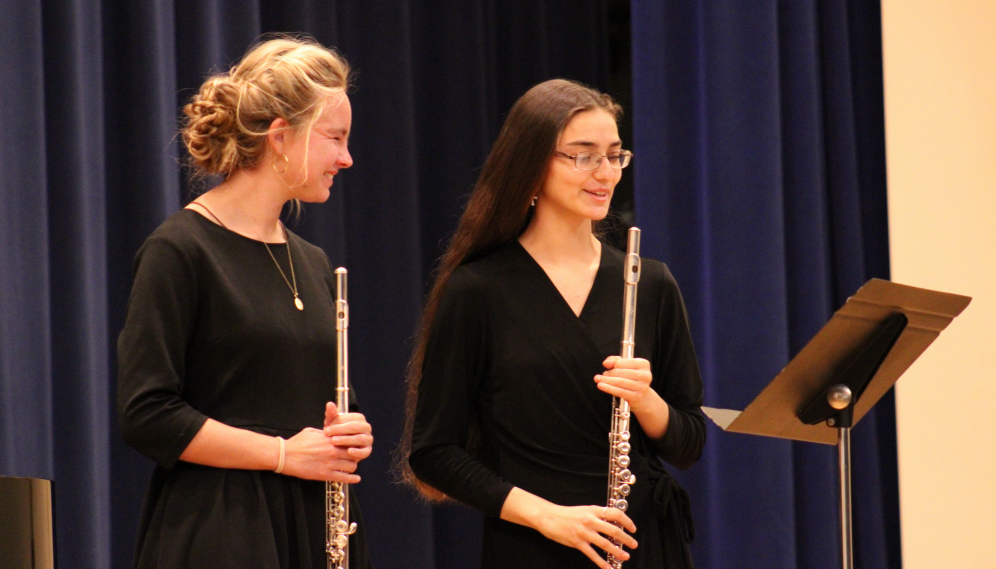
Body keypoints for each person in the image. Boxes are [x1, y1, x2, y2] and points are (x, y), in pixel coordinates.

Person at [400, 79, 705, 569]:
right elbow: (434, 451)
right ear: (531, 165)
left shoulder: (649, 283)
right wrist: (548, 517)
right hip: (533, 547)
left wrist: (648, 401)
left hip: (642, 544)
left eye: (614, 155)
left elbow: (690, 441)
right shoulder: (478, 290)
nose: (604, 173)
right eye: (582, 156)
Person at [117, 37, 374, 569]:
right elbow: (147, 414)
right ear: (282, 136)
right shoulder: (179, 249)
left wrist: (346, 435)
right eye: (335, 137)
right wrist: (283, 455)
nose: (346, 158)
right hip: (221, 529)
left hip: (309, 521)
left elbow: (297, 399)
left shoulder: (314, 262)